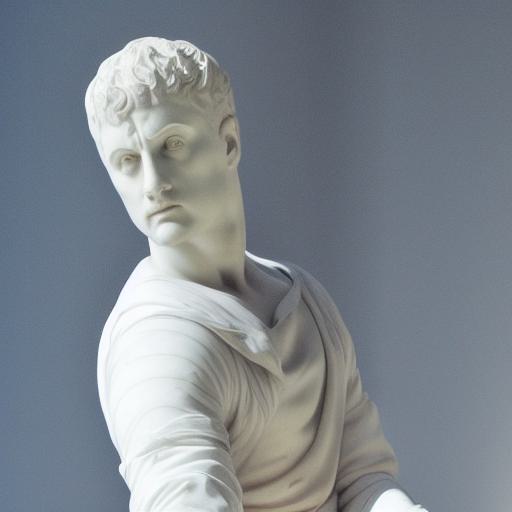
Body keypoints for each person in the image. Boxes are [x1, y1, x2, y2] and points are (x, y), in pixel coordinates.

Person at [85, 37, 428, 512]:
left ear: (229, 142)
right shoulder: (157, 348)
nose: (152, 184)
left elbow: (362, 478)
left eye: (172, 145)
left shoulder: (305, 302)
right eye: (127, 161)